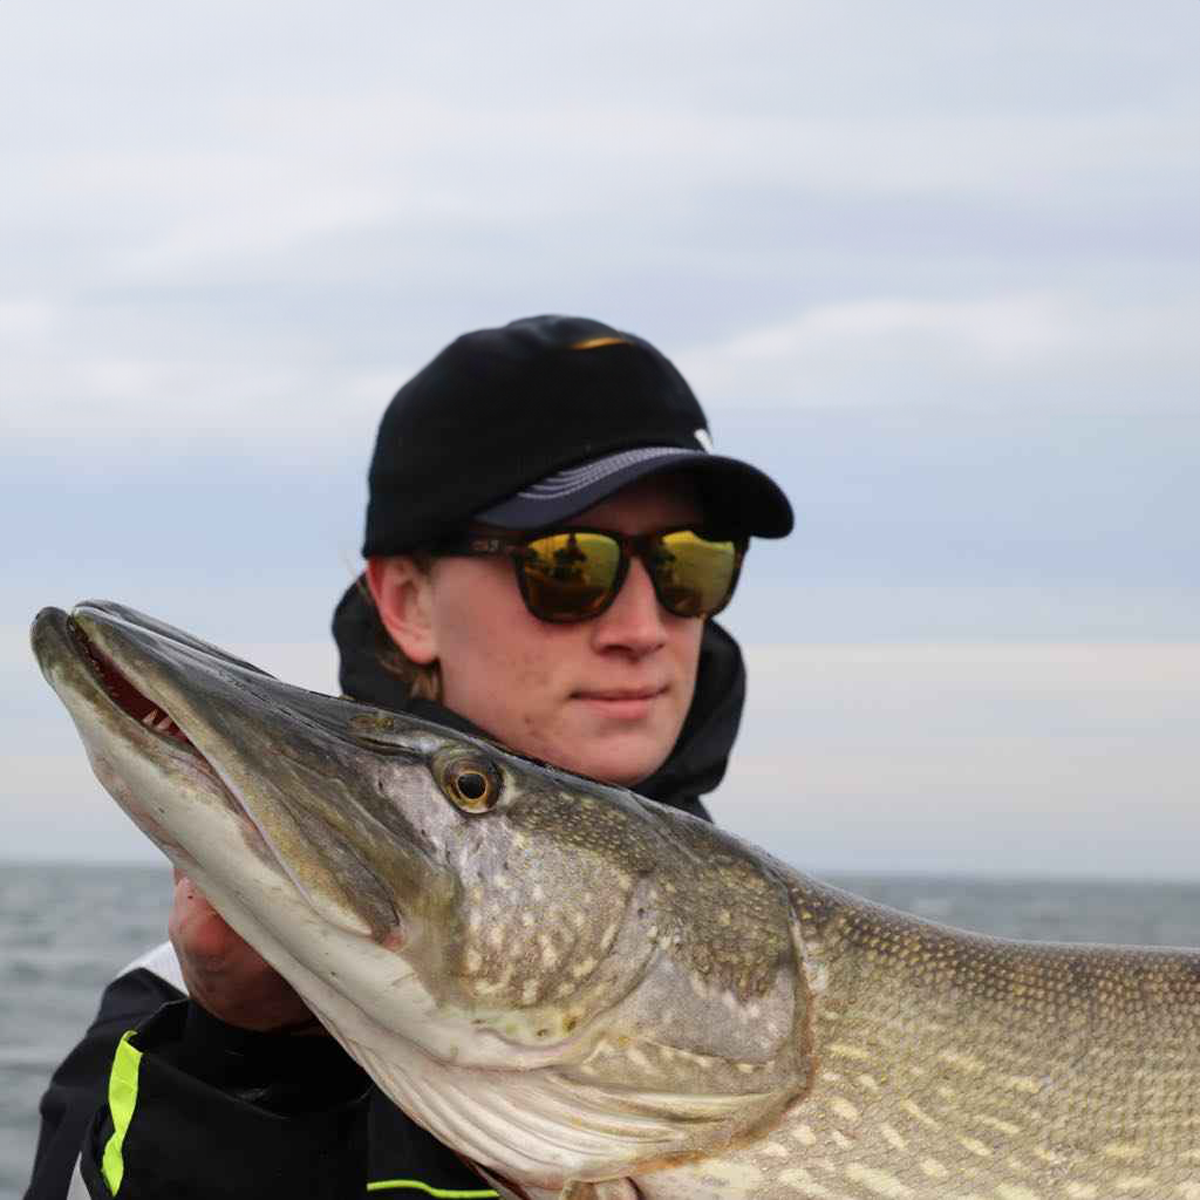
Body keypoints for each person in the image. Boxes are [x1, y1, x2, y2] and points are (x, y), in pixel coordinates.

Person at [24, 314, 793, 1199]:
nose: (643, 627)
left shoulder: (798, 968)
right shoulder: (172, 1018)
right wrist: (249, 1064)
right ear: (407, 601)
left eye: (691, 564)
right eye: (569, 565)